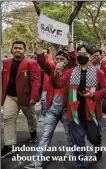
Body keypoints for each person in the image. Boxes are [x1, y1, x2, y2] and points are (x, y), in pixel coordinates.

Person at [24, 35, 77, 169]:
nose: (59, 61)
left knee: (69, 133)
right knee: (45, 135)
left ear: (66, 61)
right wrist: (40, 45)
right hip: (52, 110)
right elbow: (41, 61)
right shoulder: (51, 69)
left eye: (62, 59)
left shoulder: (71, 70)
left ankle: (70, 149)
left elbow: (73, 58)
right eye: (57, 59)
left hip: (66, 109)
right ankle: (38, 161)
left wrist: (70, 42)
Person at [51, 44, 106, 168]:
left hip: (91, 112)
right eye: (80, 53)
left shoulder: (98, 73)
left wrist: (93, 94)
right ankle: (81, 164)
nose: (82, 55)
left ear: (91, 56)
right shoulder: (70, 72)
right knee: (78, 141)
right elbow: (58, 84)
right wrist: (56, 72)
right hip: (74, 112)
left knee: (95, 138)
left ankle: (97, 146)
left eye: (85, 53)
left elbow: (105, 89)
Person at [1, 41, 41, 158]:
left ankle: (33, 131)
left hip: (26, 97)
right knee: (8, 118)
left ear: (24, 50)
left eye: (20, 48)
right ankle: (9, 145)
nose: (17, 50)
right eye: (15, 48)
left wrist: (34, 96)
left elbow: (35, 81)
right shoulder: (6, 63)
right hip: (10, 96)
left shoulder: (31, 63)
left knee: (30, 116)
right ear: (12, 50)